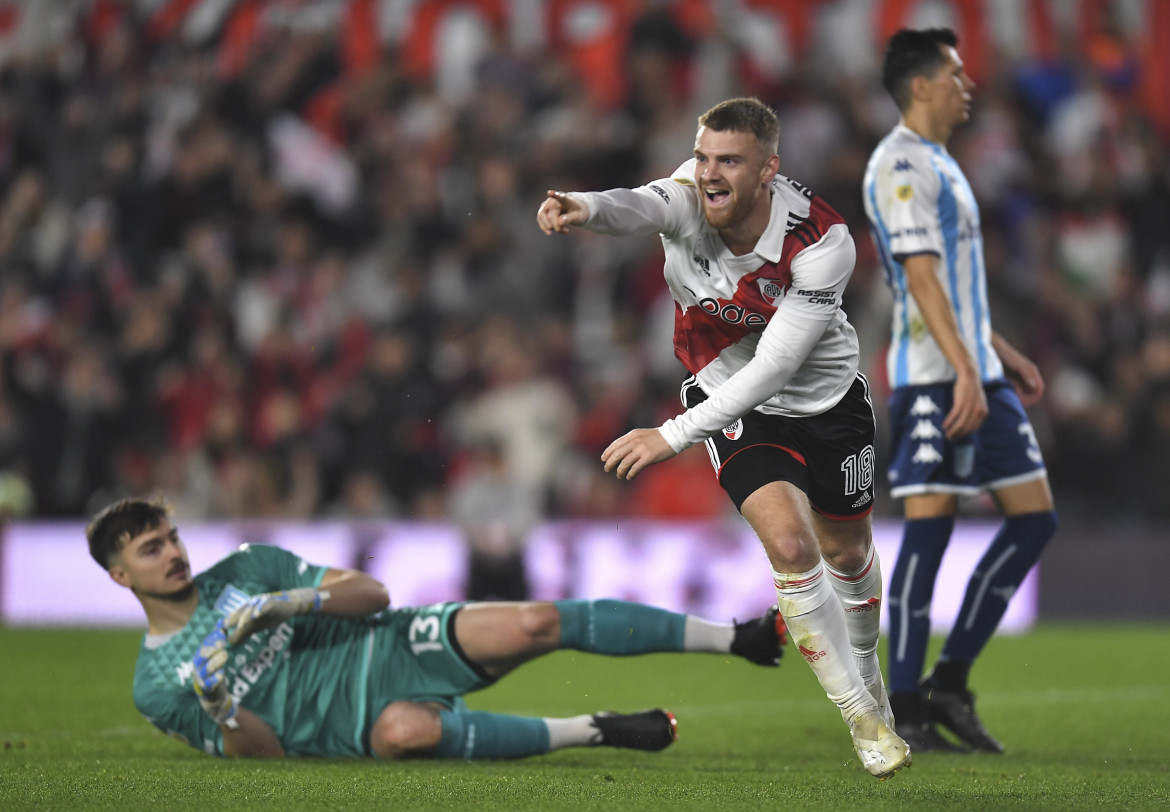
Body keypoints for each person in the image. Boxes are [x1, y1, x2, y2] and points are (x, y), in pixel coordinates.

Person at [537, 97, 911, 779]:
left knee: (847, 552)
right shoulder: (687, 194)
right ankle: (862, 717)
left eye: (729, 162)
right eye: (704, 156)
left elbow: (776, 368)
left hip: (826, 402)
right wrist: (583, 207)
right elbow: (635, 206)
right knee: (793, 548)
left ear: (769, 169)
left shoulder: (821, 244)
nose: (710, 174)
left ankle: (869, 677)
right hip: (728, 396)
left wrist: (670, 436)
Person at [87, 496, 787, 760]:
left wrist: (285, 605)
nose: (176, 554)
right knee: (408, 733)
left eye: (172, 537)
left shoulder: (250, 568)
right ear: (121, 577)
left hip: (389, 640)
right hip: (352, 727)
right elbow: (265, 759)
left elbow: (371, 593)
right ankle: (596, 729)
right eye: (152, 549)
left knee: (539, 619)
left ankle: (738, 639)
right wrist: (218, 705)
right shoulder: (157, 687)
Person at [862, 28, 1058, 754]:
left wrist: (999, 353)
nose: (966, 83)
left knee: (1035, 519)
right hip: (932, 381)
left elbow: (951, 286)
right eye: (954, 73)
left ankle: (949, 682)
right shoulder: (899, 165)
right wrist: (967, 369)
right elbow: (916, 278)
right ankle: (905, 704)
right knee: (930, 528)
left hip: (976, 368)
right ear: (920, 86)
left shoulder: (943, 162)